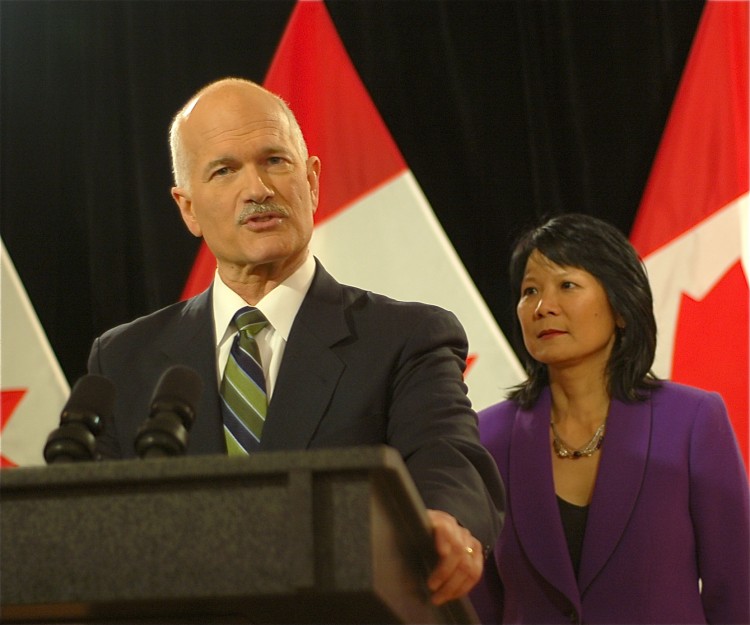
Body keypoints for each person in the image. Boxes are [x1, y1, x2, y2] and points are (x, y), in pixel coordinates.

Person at [86, 77, 505, 606]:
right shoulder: (124, 358)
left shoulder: (407, 338)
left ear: (312, 181)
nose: (257, 188)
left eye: (275, 161)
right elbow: (90, 527)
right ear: (187, 207)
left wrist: (444, 518)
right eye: (224, 170)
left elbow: (448, 456)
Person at [469, 213, 749, 624]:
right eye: (530, 291)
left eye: (567, 285)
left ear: (619, 307)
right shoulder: (487, 436)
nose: (544, 307)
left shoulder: (691, 421)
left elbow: (738, 591)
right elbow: (476, 604)